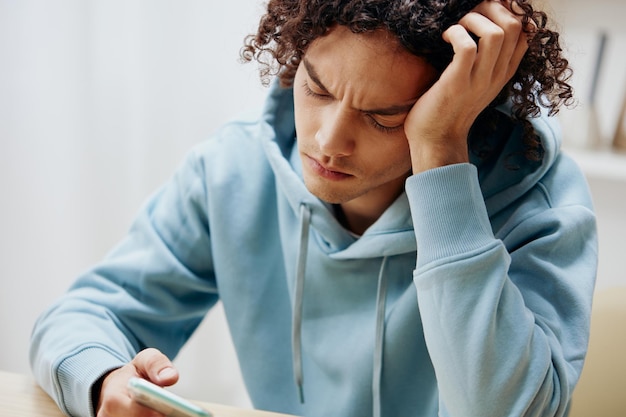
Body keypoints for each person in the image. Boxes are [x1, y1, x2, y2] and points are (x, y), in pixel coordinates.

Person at [30, 0, 598, 416]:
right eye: (318, 89)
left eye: (385, 118)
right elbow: (80, 317)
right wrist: (105, 378)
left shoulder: (536, 204)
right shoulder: (235, 169)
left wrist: (440, 158)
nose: (328, 141)